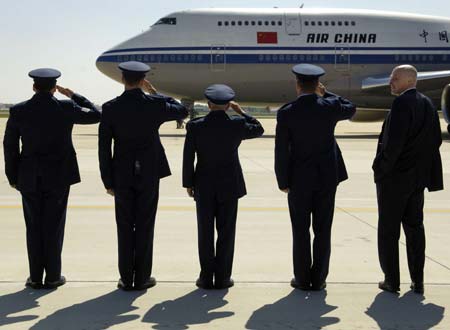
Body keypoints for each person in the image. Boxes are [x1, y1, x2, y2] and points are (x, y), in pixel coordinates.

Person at [3, 68, 101, 289]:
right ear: (54, 87)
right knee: (54, 226)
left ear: (34, 86)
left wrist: (13, 176)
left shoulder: (19, 110)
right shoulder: (65, 107)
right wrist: (73, 95)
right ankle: (54, 276)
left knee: (33, 227)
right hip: (58, 177)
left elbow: (10, 146)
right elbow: (96, 115)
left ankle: (36, 277)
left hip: (28, 177)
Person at [98, 61, 188, 291]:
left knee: (125, 225)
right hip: (148, 172)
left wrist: (108, 181)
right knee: (146, 225)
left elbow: (103, 148)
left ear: (122, 79)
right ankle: (143, 277)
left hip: (121, 174)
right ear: (143, 80)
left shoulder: (110, 107)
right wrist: (154, 92)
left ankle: (126, 278)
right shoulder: (153, 104)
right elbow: (182, 110)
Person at [275, 64, 356, 291]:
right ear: (317, 85)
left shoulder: (287, 112)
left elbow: (281, 150)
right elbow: (350, 108)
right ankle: (319, 278)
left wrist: (283, 181)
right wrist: (326, 93)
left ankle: (301, 278)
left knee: (300, 230)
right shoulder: (329, 107)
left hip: (298, 179)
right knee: (323, 229)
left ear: (297, 84)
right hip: (327, 178)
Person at [182, 84, 264, 289]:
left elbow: (188, 158)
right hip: (230, 184)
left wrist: (188, 183)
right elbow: (259, 129)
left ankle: (205, 277)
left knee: (205, 231)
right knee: (227, 231)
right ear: (228, 105)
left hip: (204, 184)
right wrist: (241, 112)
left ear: (208, 104)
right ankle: (223, 277)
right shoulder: (236, 124)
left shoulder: (195, 126)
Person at [373, 65, 443, 294]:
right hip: (417, 180)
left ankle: (391, 280)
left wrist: (381, 169)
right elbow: (435, 142)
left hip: (395, 180)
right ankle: (418, 281)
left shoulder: (402, 104)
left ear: (407, 80)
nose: (390, 82)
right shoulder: (427, 104)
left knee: (388, 231)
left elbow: (393, 145)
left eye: (394, 78)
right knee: (415, 229)